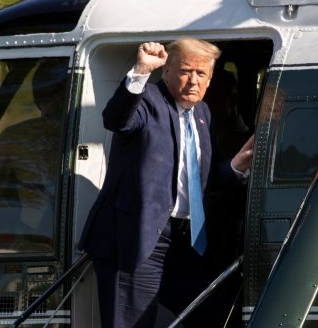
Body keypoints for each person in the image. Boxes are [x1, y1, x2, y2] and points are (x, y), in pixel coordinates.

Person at [78, 38, 254, 327]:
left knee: (214, 313)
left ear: (210, 81)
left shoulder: (202, 113)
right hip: (138, 238)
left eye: (201, 74)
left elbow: (202, 182)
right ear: (167, 72)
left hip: (184, 240)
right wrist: (140, 70)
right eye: (186, 71)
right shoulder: (147, 99)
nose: (193, 81)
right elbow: (116, 119)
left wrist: (237, 165)